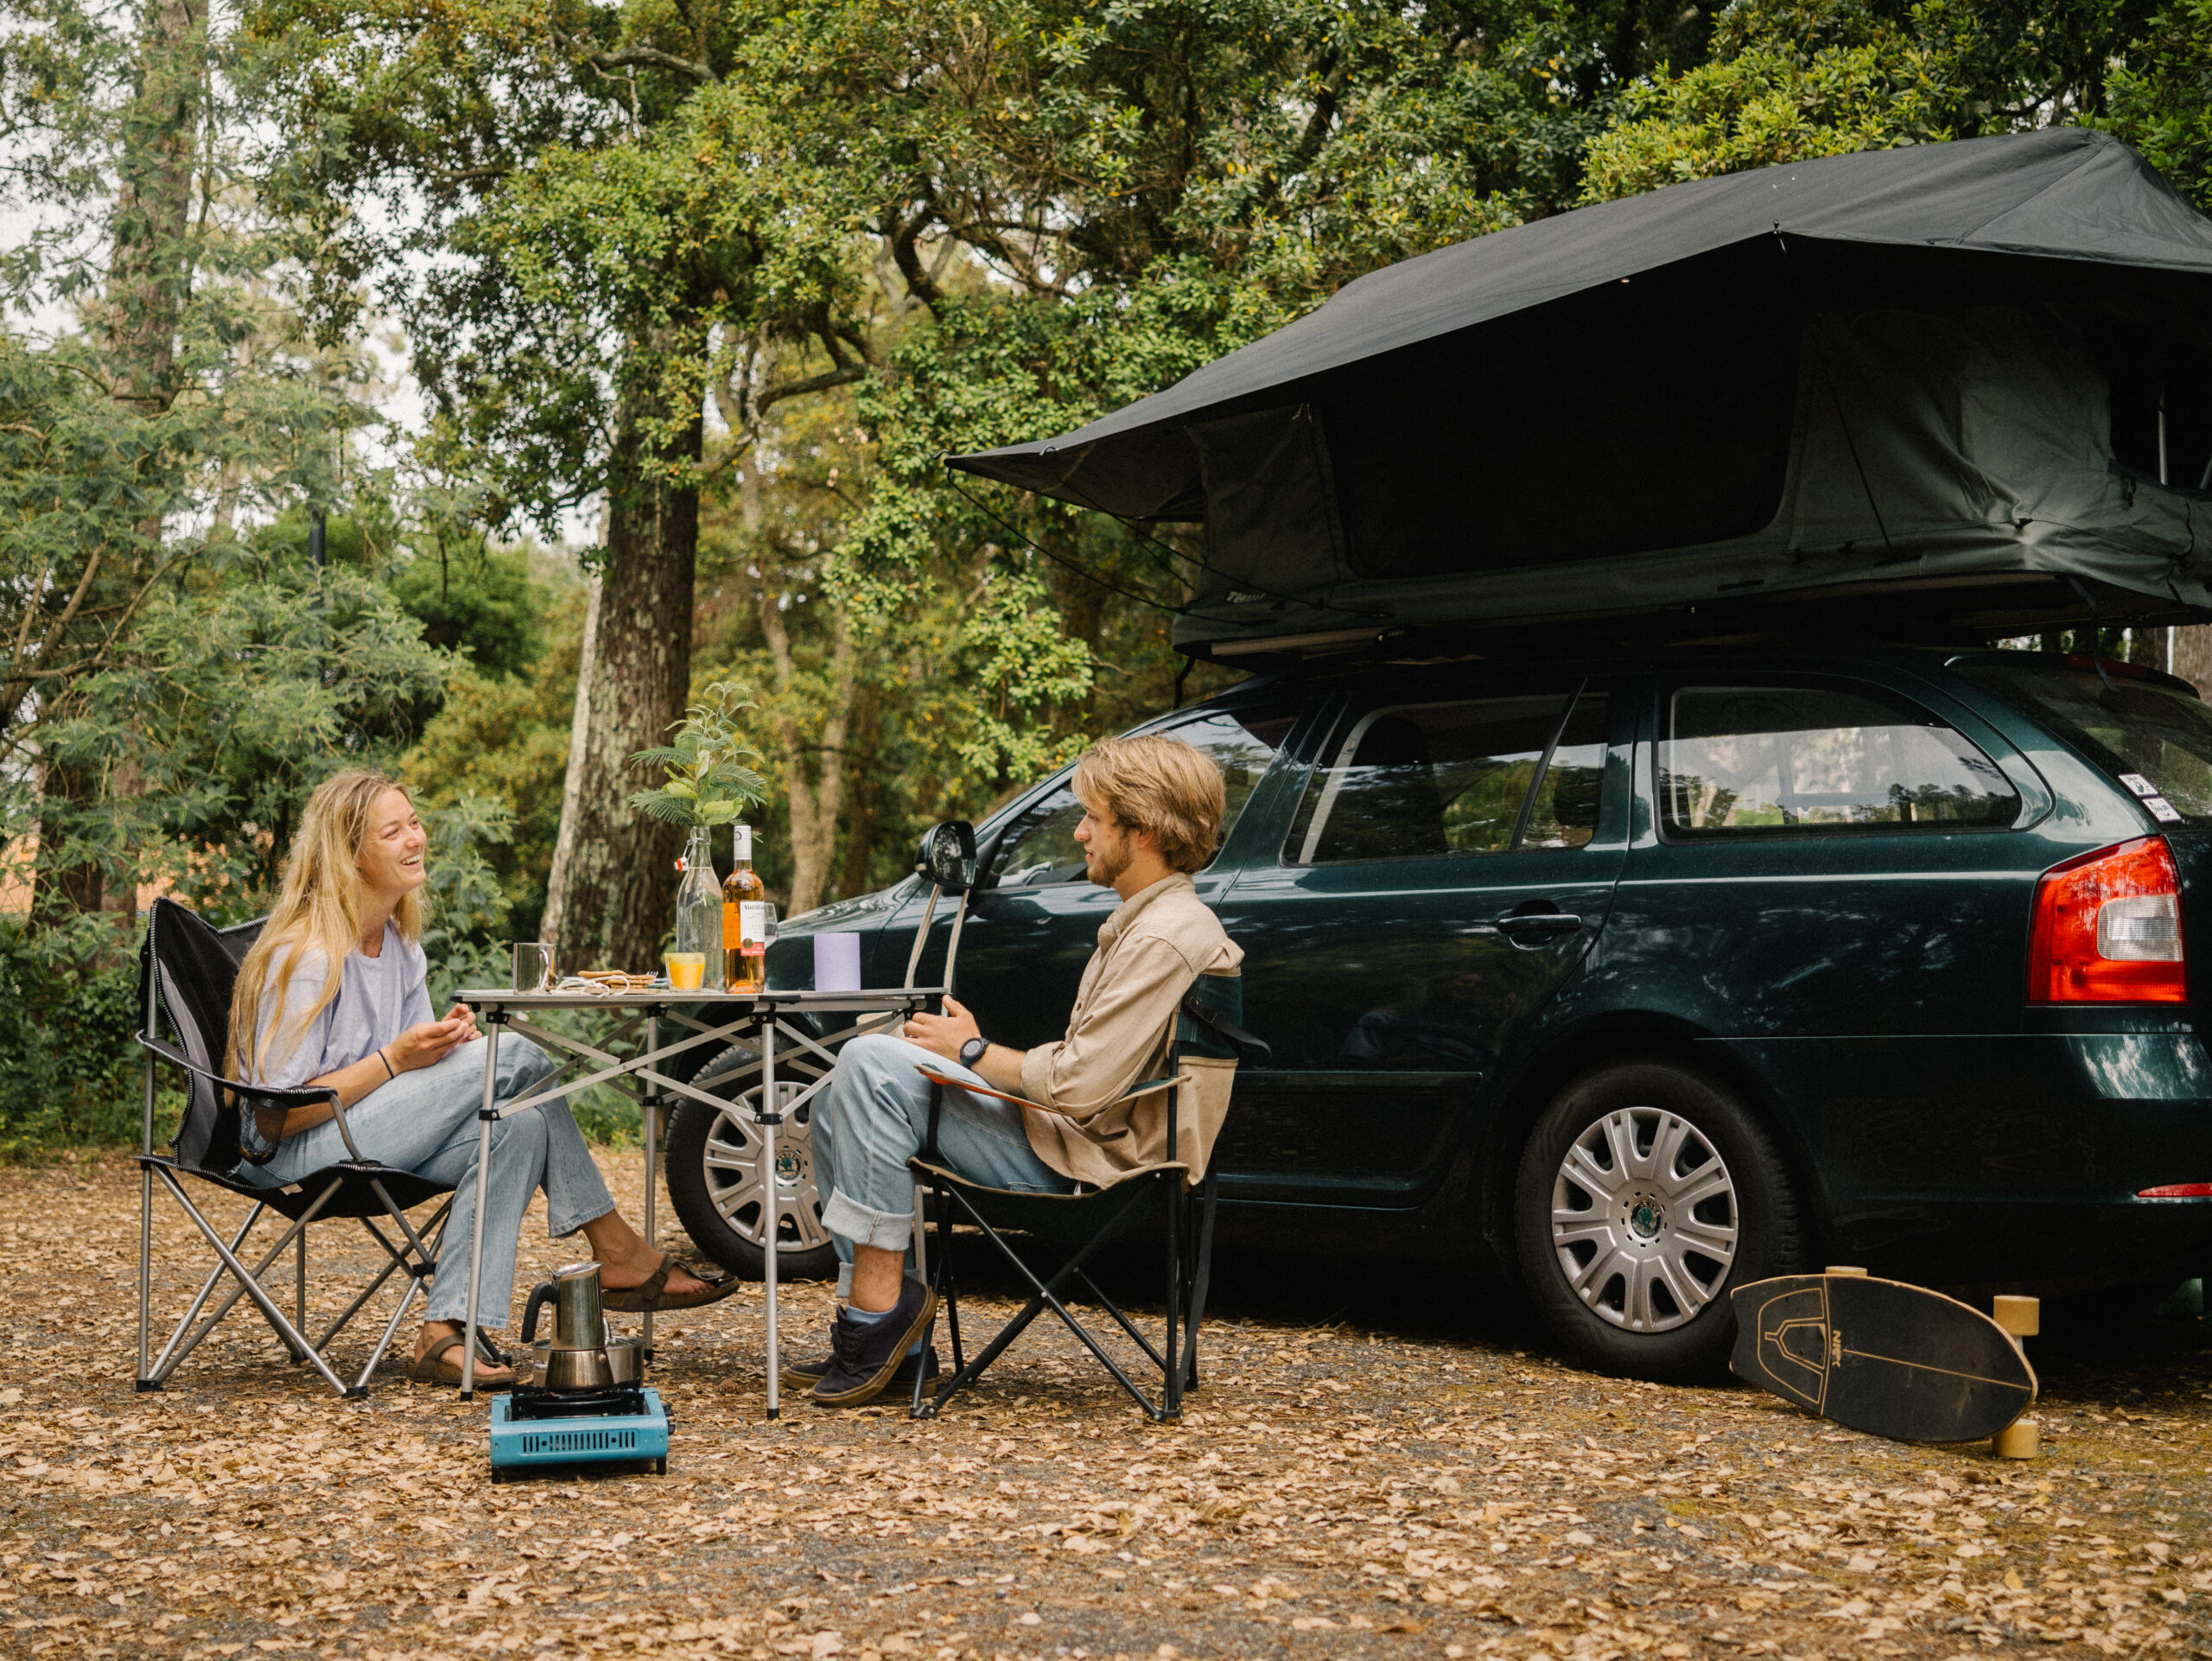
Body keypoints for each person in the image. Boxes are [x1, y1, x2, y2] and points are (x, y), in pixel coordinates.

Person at [227, 768, 737, 1387]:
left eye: (413, 822)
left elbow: (414, 1071)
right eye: (393, 832)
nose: (415, 838)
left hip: (371, 1133)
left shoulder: (399, 945)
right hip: (293, 1153)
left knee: (519, 1126)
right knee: (518, 1056)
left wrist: (444, 1049)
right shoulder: (308, 956)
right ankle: (618, 1250)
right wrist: (398, 1059)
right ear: (350, 856)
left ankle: (445, 1329)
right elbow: (276, 1115)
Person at [795, 733, 1243, 1407]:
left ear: (1144, 830)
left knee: (869, 1059)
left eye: (1093, 817)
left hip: (1097, 1164)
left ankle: (878, 1312)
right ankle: (894, 1334)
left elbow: (1079, 1087)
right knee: (842, 1097)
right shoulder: (1151, 921)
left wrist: (971, 1052)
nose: (1081, 833)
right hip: (1081, 1138)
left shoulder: (1163, 935)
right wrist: (963, 1050)